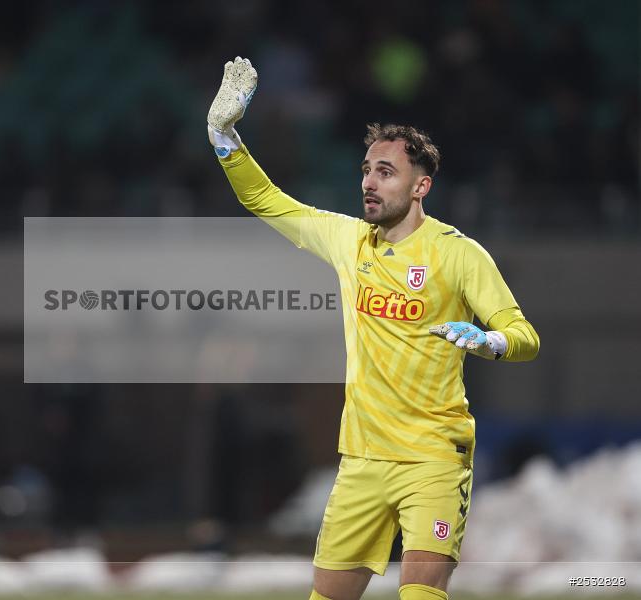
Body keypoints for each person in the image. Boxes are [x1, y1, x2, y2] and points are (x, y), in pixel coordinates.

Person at [207, 58, 540, 600]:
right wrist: (224, 138)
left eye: (385, 172)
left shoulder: (458, 255)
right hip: (363, 459)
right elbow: (265, 200)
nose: (368, 181)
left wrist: (489, 340)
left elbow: (524, 335)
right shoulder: (349, 241)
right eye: (366, 169)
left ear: (420, 186)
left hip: (434, 455)